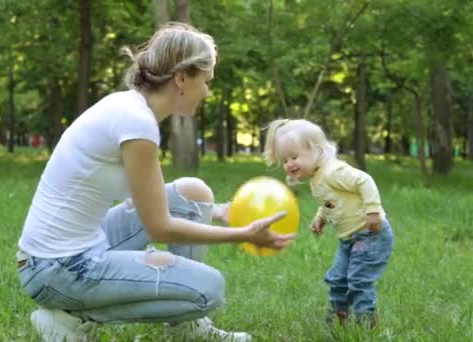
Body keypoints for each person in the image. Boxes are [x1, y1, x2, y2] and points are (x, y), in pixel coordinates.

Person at [16, 22, 295, 342]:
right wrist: (243, 235)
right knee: (209, 289)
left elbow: (145, 201)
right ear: (181, 78)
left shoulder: (129, 109)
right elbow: (160, 226)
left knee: (194, 193)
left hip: (70, 251)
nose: (206, 90)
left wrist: (218, 212)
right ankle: (72, 318)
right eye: (205, 81)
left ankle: (186, 328)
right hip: (55, 270)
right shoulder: (136, 123)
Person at [263, 119, 394, 330]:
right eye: (285, 160)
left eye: (294, 157)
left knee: (358, 282)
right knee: (337, 280)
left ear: (316, 150)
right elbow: (331, 200)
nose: (289, 164)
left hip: (370, 234)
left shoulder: (334, 172)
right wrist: (321, 217)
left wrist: (373, 212)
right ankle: (338, 322)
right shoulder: (318, 177)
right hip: (348, 238)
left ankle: (366, 325)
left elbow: (364, 181)